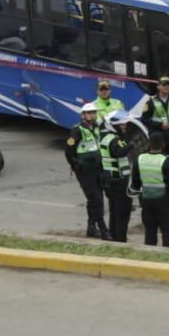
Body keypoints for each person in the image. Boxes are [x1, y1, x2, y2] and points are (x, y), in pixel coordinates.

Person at [133, 130, 169, 248]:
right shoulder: (166, 161)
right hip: (164, 203)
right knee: (167, 232)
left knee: (150, 233)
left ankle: (151, 254)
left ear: (149, 144)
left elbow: (135, 184)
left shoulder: (139, 159)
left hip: (146, 201)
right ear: (163, 145)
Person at [64, 102, 107, 239]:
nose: (92, 115)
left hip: (97, 168)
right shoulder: (77, 130)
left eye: (93, 112)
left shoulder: (97, 127)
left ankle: (91, 228)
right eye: (89, 113)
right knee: (96, 200)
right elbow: (69, 152)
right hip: (85, 171)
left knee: (96, 199)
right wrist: (76, 165)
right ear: (83, 115)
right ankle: (103, 229)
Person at [98, 110, 137, 243]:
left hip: (110, 181)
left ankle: (114, 236)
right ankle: (120, 239)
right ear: (113, 126)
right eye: (121, 125)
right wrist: (131, 145)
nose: (124, 127)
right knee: (122, 213)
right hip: (118, 181)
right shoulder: (114, 140)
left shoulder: (106, 137)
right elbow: (118, 152)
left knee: (114, 212)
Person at [147, 75, 169, 159]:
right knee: (159, 159)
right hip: (159, 135)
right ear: (158, 86)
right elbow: (145, 119)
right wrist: (160, 124)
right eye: (164, 85)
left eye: (168, 85)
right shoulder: (151, 101)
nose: (167, 87)